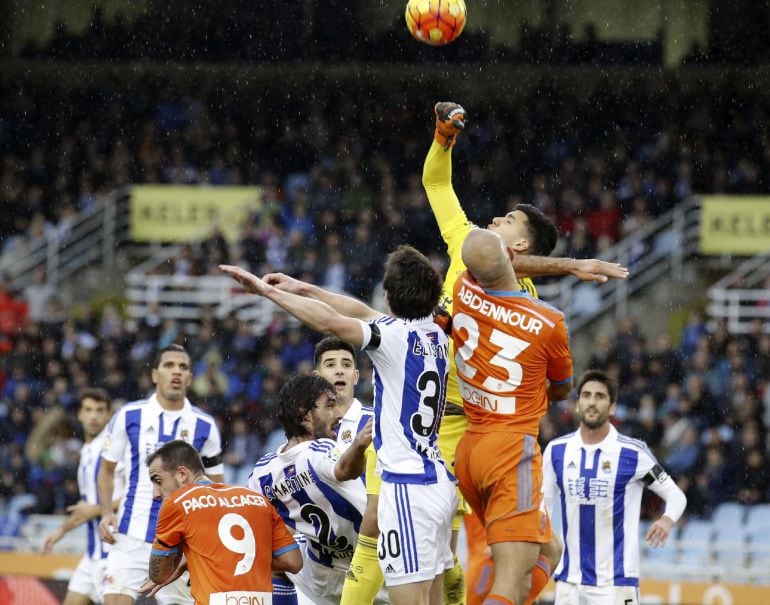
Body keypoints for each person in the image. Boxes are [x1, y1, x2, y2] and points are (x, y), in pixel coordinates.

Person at [423, 101, 629, 605]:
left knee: (544, 552)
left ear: (520, 241)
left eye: (507, 219)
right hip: (432, 421)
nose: (494, 218)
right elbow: (436, 184)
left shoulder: (508, 289)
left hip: (476, 431)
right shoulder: (501, 278)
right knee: (445, 552)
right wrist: (442, 138)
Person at [221, 243, 455, 605]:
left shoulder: (390, 337)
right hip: (438, 480)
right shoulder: (435, 335)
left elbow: (333, 322)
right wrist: (305, 288)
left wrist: (267, 292)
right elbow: (360, 311)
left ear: (390, 297)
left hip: (408, 486)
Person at [451, 228, 574, 605]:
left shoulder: (462, 289)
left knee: (550, 550)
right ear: (510, 256)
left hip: (470, 448)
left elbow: (484, 264)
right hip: (511, 452)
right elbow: (563, 386)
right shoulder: (549, 320)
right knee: (509, 579)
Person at [542, 370, 687, 605]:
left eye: (600, 396)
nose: (592, 401)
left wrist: (666, 520)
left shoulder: (633, 453)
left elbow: (676, 495)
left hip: (618, 585)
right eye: (586, 395)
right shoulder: (556, 451)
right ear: (577, 404)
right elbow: (542, 506)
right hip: (570, 582)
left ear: (611, 407)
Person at [97, 344, 224, 605]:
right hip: (131, 533)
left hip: (182, 541)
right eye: (169, 365)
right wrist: (107, 512)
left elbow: (216, 489)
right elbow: (106, 470)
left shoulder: (205, 426)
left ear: (189, 378)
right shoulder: (128, 416)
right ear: (155, 375)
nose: (176, 372)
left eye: (183, 367)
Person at [248, 373, 386, 605]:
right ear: (304, 413)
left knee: (269, 559)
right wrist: (360, 443)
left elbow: (242, 517)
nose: (339, 414)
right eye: (329, 406)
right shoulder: (320, 449)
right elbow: (344, 470)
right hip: (369, 567)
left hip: (318, 577)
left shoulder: (262, 473)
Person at [145, 439, 302, 605]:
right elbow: (293, 562)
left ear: (182, 474)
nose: (156, 493)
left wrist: (190, 560)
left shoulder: (177, 502)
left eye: (158, 481)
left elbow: (159, 574)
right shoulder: (257, 499)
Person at [43, 389, 121, 605]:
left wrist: (95, 511)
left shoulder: (115, 450)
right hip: (92, 556)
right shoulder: (86, 451)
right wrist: (61, 531)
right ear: (79, 414)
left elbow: (134, 498)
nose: (93, 416)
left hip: (114, 554)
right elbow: (86, 508)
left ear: (108, 415)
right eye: (88, 410)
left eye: (100, 411)